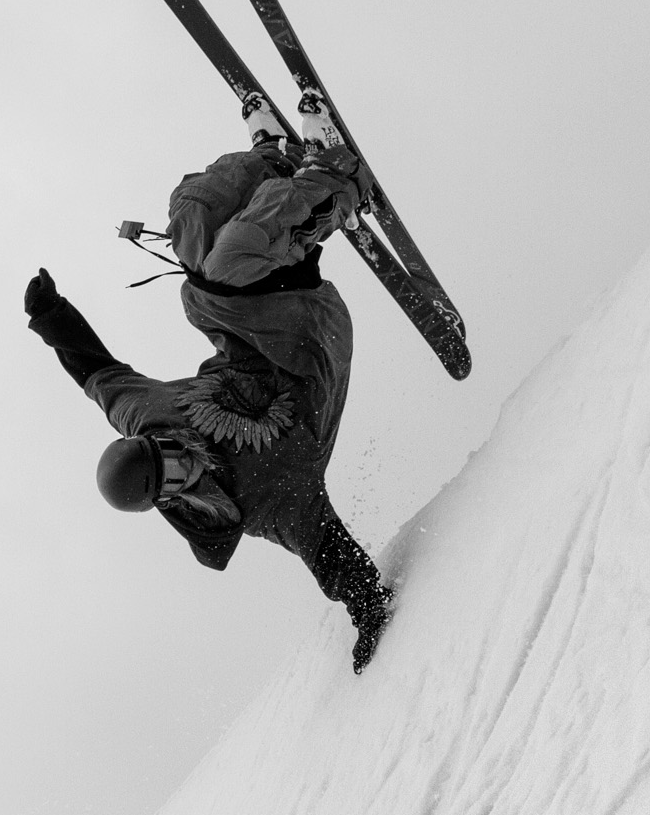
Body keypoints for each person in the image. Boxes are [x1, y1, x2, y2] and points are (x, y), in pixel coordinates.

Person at [24, 102, 396, 670]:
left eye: (169, 458)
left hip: (248, 331)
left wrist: (50, 317)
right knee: (225, 269)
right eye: (173, 481)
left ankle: (274, 160)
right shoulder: (258, 496)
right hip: (309, 354)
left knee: (190, 222)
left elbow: (98, 374)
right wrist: (370, 608)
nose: (183, 467)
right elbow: (325, 549)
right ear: (166, 499)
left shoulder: (149, 415)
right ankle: (341, 183)